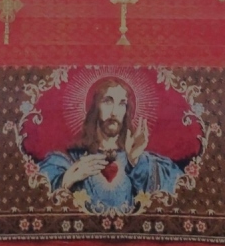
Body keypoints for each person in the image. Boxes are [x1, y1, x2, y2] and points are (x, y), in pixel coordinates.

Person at [38, 77, 182, 215]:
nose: (114, 112)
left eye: (122, 104)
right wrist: (67, 179)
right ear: (94, 107)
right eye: (107, 101)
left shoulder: (140, 160)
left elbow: (175, 193)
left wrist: (136, 162)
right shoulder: (72, 160)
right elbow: (37, 195)